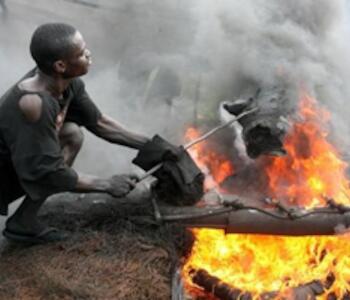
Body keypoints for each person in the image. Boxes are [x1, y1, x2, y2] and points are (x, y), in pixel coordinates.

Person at [0, 23, 176, 244]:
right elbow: (49, 172)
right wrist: (106, 184)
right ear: (61, 65)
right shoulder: (34, 104)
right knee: (55, 159)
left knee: (72, 134)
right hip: (6, 172)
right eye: (82, 53)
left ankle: (23, 222)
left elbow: (100, 123)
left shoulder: (67, 84)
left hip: (21, 163)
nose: (89, 54)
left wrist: (154, 146)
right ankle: (21, 227)